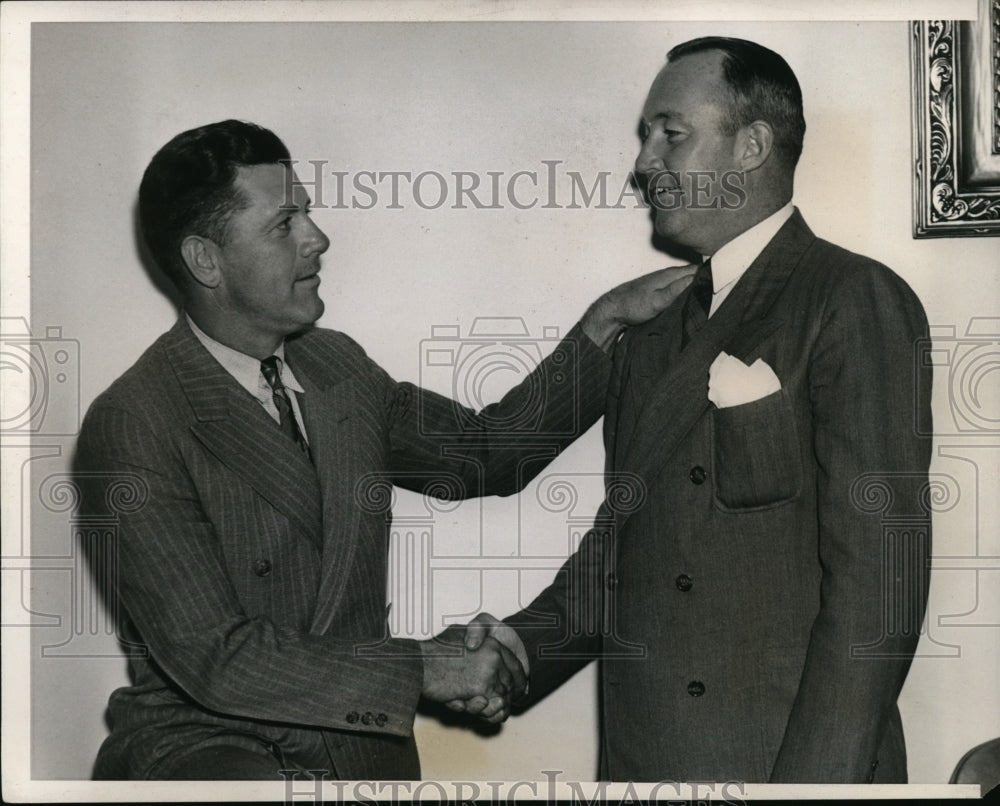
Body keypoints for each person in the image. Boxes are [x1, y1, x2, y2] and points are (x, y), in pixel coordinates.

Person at [74, 119, 693, 781]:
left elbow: (484, 453)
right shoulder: (134, 423)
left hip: (364, 752)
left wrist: (606, 324)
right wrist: (425, 667)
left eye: (307, 212)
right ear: (206, 260)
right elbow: (218, 660)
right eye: (285, 224)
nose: (319, 238)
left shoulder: (333, 365)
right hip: (210, 758)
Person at [469, 36, 933, 783]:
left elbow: (880, 589)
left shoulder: (849, 298)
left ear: (751, 145)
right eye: (646, 137)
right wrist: (523, 648)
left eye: (670, 134)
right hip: (646, 762)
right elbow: (626, 551)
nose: (644, 162)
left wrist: (813, 794)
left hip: (785, 767)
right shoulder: (648, 330)